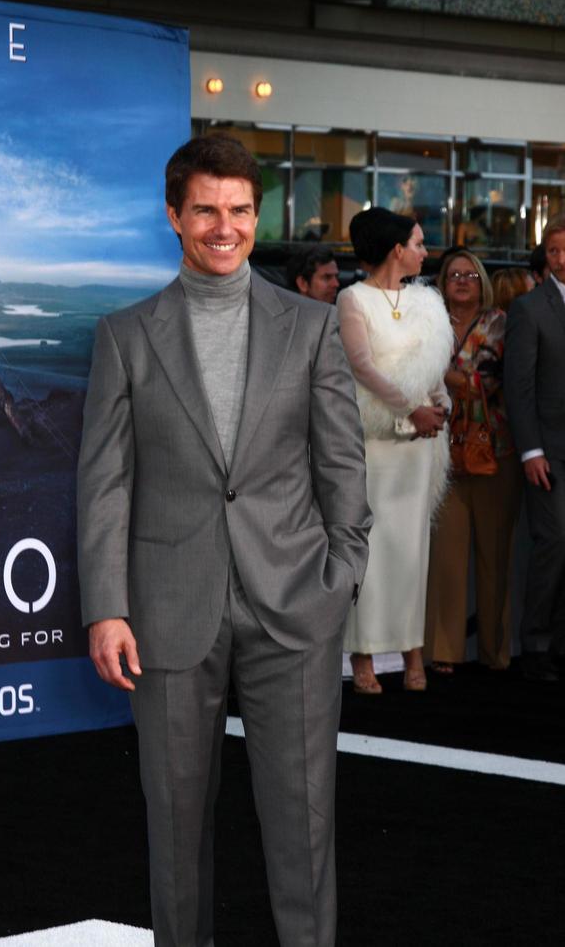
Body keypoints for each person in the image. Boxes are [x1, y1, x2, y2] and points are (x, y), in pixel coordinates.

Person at [77, 134, 372, 946]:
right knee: (174, 832)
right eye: (205, 208)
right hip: (169, 611)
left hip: (294, 604)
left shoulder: (310, 328)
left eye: (239, 210)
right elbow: (105, 483)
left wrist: (341, 574)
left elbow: (342, 468)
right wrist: (106, 608)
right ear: (173, 215)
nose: (223, 227)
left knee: (304, 827)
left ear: (256, 216)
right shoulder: (125, 336)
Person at [337, 207, 452, 694]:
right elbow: (361, 366)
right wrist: (411, 409)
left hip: (420, 446)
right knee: (372, 551)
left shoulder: (427, 302)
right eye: (419, 243)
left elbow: (435, 366)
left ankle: (412, 653)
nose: (426, 253)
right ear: (395, 249)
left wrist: (441, 404)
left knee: (412, 550)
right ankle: (361, 658)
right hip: (375, 444)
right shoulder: (352, 299)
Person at [425, 251, 522, 673]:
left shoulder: (502, 323)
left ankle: (494, 653)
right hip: (439, 451)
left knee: (494, 558)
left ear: (482, 282)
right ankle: (442, 654)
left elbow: (492, 380)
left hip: (494, 452)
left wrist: (439, 373)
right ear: (443, 283)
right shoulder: (428, 323)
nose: (462, 281)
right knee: (445, 559)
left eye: (470, 274)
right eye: (454, 275)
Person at [504, 214, 565, 681]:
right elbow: (518, 388)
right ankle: (536, 645)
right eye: (553, 251)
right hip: (550, 453)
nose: (561, 258)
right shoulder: (529, 309)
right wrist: (531, 452)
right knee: (553, 543)